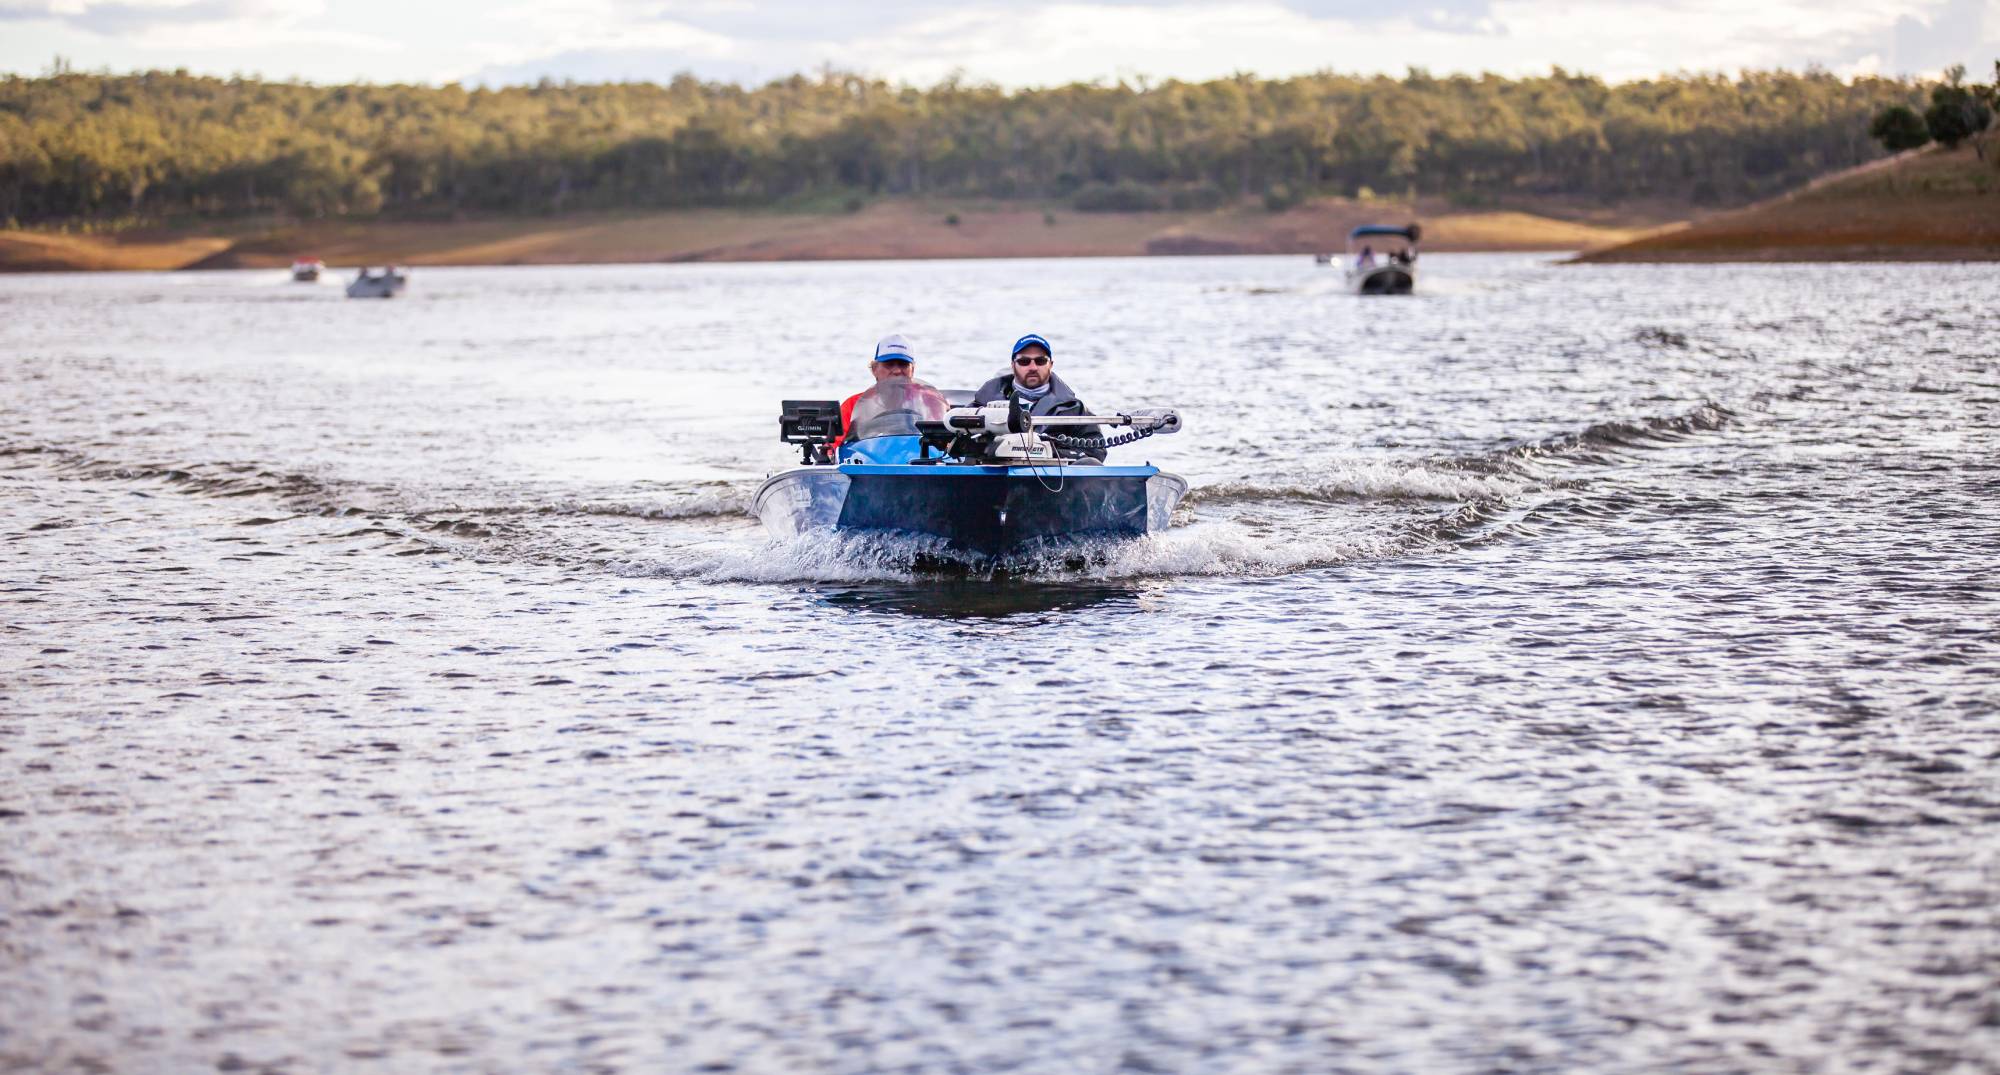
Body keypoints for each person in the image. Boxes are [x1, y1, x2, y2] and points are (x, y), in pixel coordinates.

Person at [971, 333, 1106, 461]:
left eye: (1040, 361)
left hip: (1053, 481)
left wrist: (1049, 452)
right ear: (1013, 365)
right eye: (1024, 361)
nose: (1033, 367)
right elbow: (954, 439)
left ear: (1050, 365)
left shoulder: (1074, 408)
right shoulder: (984, 401)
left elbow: (1096, 451)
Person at [835, 334, 921, 449]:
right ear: (874, 369)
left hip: (918, 461)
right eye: (889, 365)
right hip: (868, 463)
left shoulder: (930, 402)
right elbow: (832, 448)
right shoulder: (852, 405)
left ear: (912, 370)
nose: (896, 371)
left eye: (903, 364)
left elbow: (947, 445)